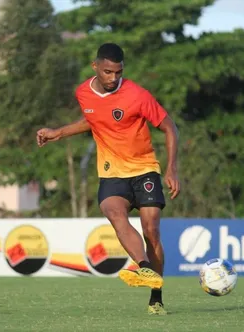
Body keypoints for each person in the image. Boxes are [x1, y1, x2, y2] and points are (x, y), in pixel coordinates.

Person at [36, 43, 180, 316]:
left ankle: (156, 298)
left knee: (151, 229)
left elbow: (169, 126)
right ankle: (145, 268)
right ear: (95, 67)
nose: (113, 78)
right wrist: (58, 133)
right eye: (107, 72)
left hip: (145, 169)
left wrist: (172, 169)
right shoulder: (82, 92)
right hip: (111, 172)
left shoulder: (137, 95)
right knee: (114, 213)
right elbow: (93, 120)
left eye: (118, 72)